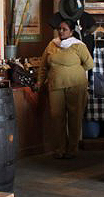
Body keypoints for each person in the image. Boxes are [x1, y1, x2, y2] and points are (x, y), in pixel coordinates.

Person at [37, 17, 94, 159]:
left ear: (72, 31)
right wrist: (40, 82)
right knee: (56, 117)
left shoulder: (78, 46)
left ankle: (72, 149)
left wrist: (73, 71)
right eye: (59, 29)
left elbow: (89, 64)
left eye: (64, 29)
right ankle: (60, 148)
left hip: (76, 85)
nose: (61, 31)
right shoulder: (52, 44)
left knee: (75, 117)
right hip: (56, 85)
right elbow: (43, 66)